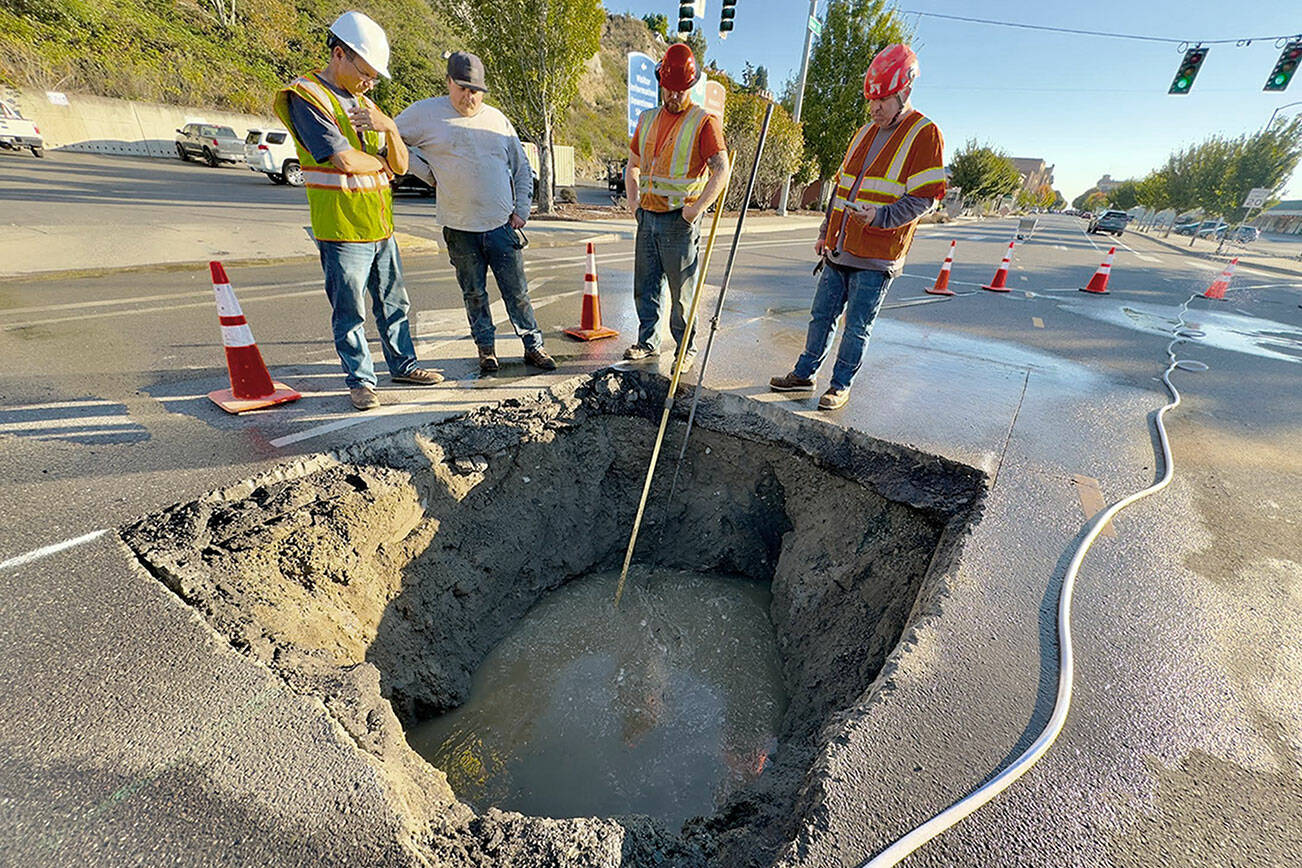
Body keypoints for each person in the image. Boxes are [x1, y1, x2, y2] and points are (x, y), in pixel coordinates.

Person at [274, 11, 443, 412]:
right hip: (341, 226)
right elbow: (345, 161)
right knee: (350, 309)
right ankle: (361, 381)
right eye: (365, 73)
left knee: (394, 302)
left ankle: (403, 364)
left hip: (380, 225)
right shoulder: (308, 96)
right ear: (339, 55)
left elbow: (400, 165)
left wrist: (390, 128)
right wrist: (380, 163)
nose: (369, 83)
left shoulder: (366, 105)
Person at [769, 43, 946, 410]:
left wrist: (880, 218)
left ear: (906, 92)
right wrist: (824, 231)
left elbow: (926, 198)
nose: (875, 107)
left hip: (877, 256)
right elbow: (841, 189)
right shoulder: (864, 132)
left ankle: (839, 385)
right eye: (872, 99)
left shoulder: (924, 134)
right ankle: (804, 373)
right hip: (840, 247)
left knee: (856, 327)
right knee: (821, 317)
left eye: (883, 100)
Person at [395, 52, 556, 374]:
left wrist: (522, 210)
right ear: (449, 83)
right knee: (474, 294)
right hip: (458, 228)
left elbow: (521, 167)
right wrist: (425, 173)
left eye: (476, 90)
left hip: (500, 226)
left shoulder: (497, 120)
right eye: (463, 88)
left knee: (518, 293)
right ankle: (486, 350)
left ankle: (533, 346)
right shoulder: (424, 114)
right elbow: (391, 138)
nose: (469, 96)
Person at [623, 43, 730, 368]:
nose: (674, 95)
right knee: (645, 285)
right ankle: (647, 342)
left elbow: (721, 169)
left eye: (682, 89)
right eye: (669, 88)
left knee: (682, 295)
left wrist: (695, 211)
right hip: (648, 216)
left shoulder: (703, 122)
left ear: (692, 85)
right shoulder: (647, 119)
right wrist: (633, 202)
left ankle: (685, 350)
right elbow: (632, 165)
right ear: (661, 83)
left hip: (678, 222)